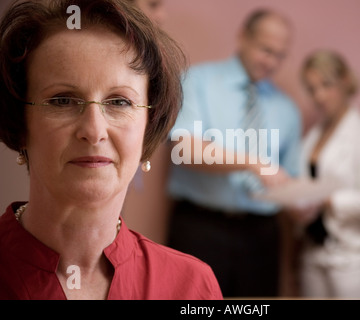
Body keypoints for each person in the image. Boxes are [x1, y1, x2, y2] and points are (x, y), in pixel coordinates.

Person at [0, 0, 222, 300]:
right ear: (20, 123)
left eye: (119, 102)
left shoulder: (191, 286)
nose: (93, 131)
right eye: (63, 100)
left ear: (148, 127)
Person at [167, 9, 301, 297]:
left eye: (280, 55)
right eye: (266, 50)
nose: (272, 62)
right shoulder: (196, 81)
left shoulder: (287, 109)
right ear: (243, 37)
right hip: (201, 227)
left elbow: (289, 178)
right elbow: (184, 149)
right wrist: (253, 164)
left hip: (262, 235)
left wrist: (304, 201)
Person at [288, 50, 360, 298]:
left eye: (326, 85)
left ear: (344, 81)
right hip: (314, 253)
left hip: (353, 259)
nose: (319, 96)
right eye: (311, 89)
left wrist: (326, 198)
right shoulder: (312, 137)